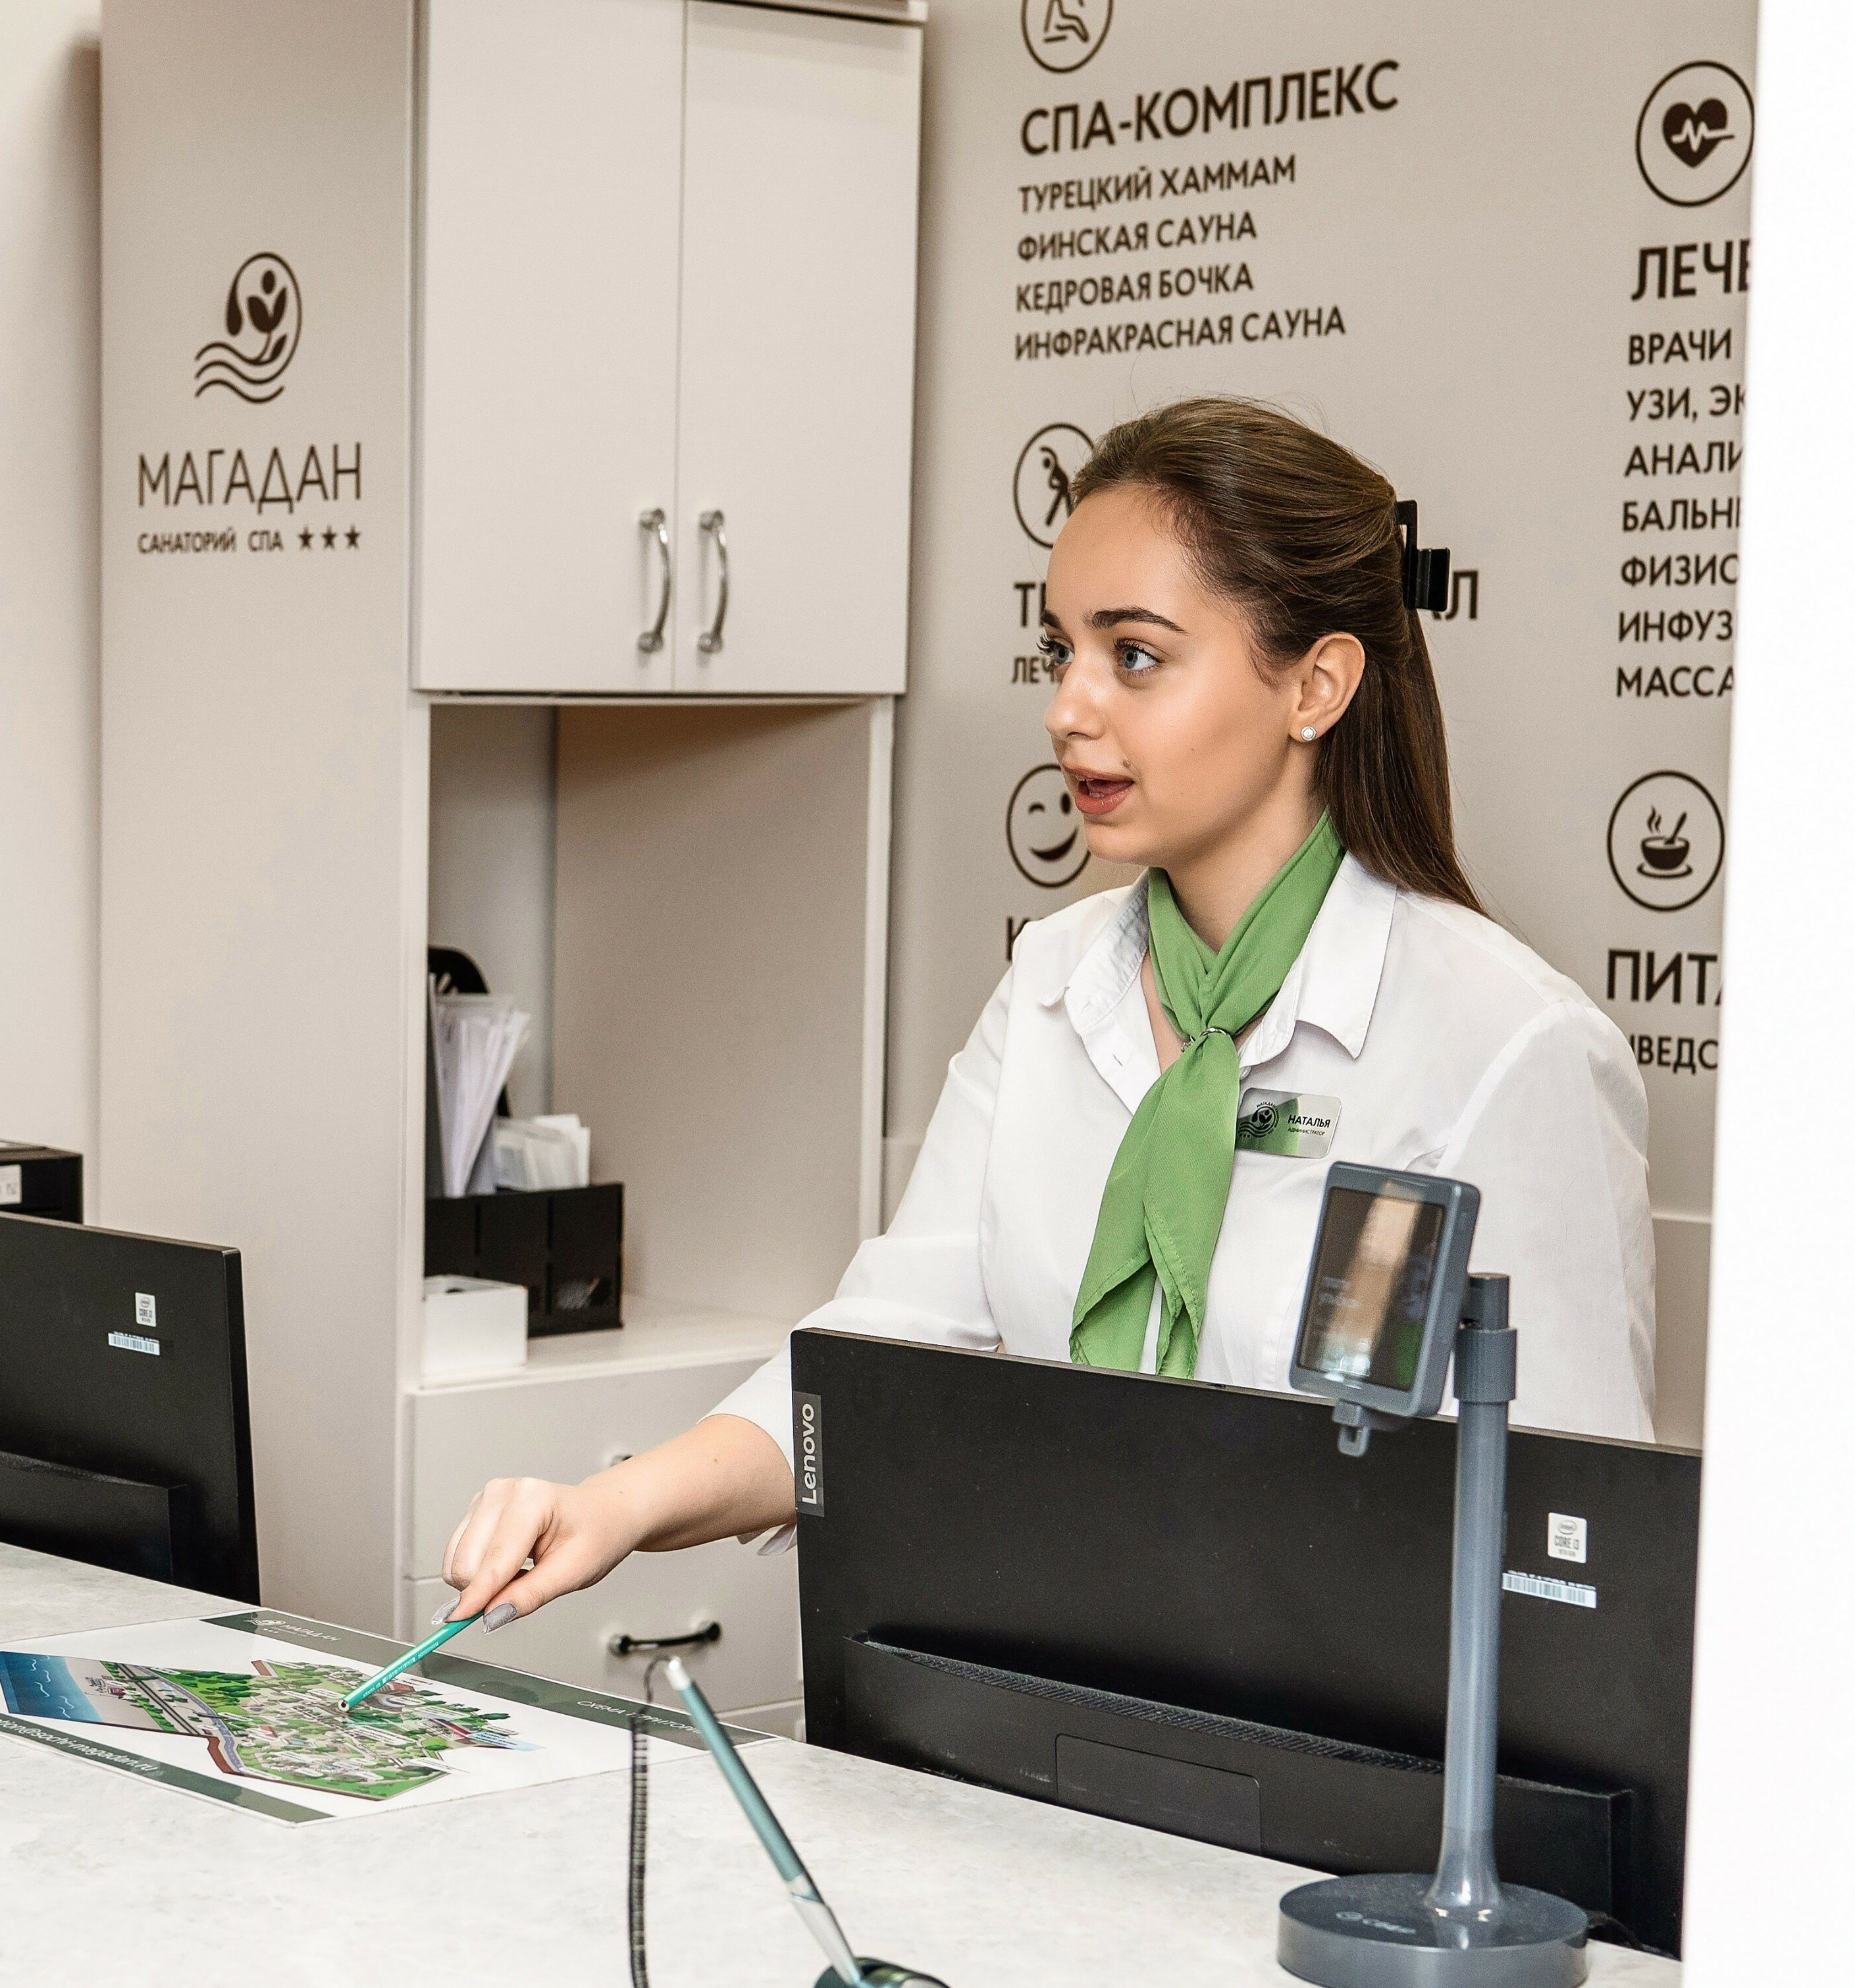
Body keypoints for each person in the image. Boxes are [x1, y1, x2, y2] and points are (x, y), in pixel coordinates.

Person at [442, 397, 1656, 1621]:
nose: (1068, 708)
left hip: (1343, 1721)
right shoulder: (1052, 983)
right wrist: (616, 1505)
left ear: (1317, 685)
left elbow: (1572, 1550)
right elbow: (882, 1350)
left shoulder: (1508, 1047)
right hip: (1059, 1676)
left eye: (1135, 656)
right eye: (1061, 649)